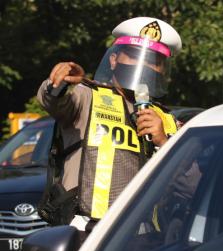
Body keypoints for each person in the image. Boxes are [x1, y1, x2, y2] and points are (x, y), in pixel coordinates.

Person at [37, 17, 181, 233]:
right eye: (134, 55)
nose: (145, 65)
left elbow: (191, 186)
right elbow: (54, 102)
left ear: (162, 69)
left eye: (155, 60)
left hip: (141, 235)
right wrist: (59, 85)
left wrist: (164, 142)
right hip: (85, 230)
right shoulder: (88, 97)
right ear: (114, 59)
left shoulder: (167, 120)